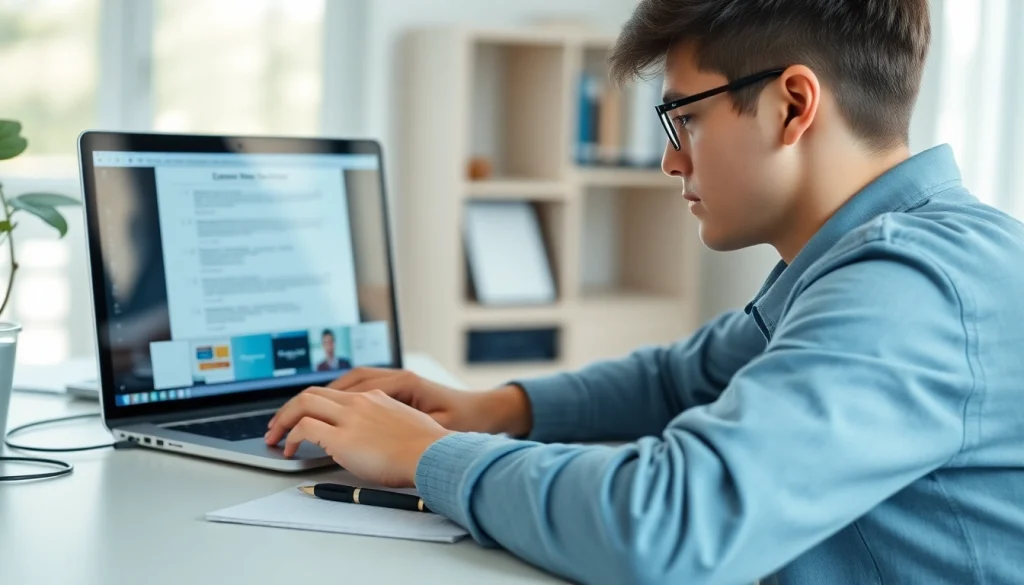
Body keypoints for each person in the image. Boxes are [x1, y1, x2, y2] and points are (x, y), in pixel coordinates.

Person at [265, 0, 1024, 583]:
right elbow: (682, 376)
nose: (670, 160)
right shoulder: (878, 251)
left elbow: (666, 522)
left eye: (684, 119)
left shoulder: (912, 287)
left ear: (793, 105)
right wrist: (495, 406)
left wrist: (430, 453)